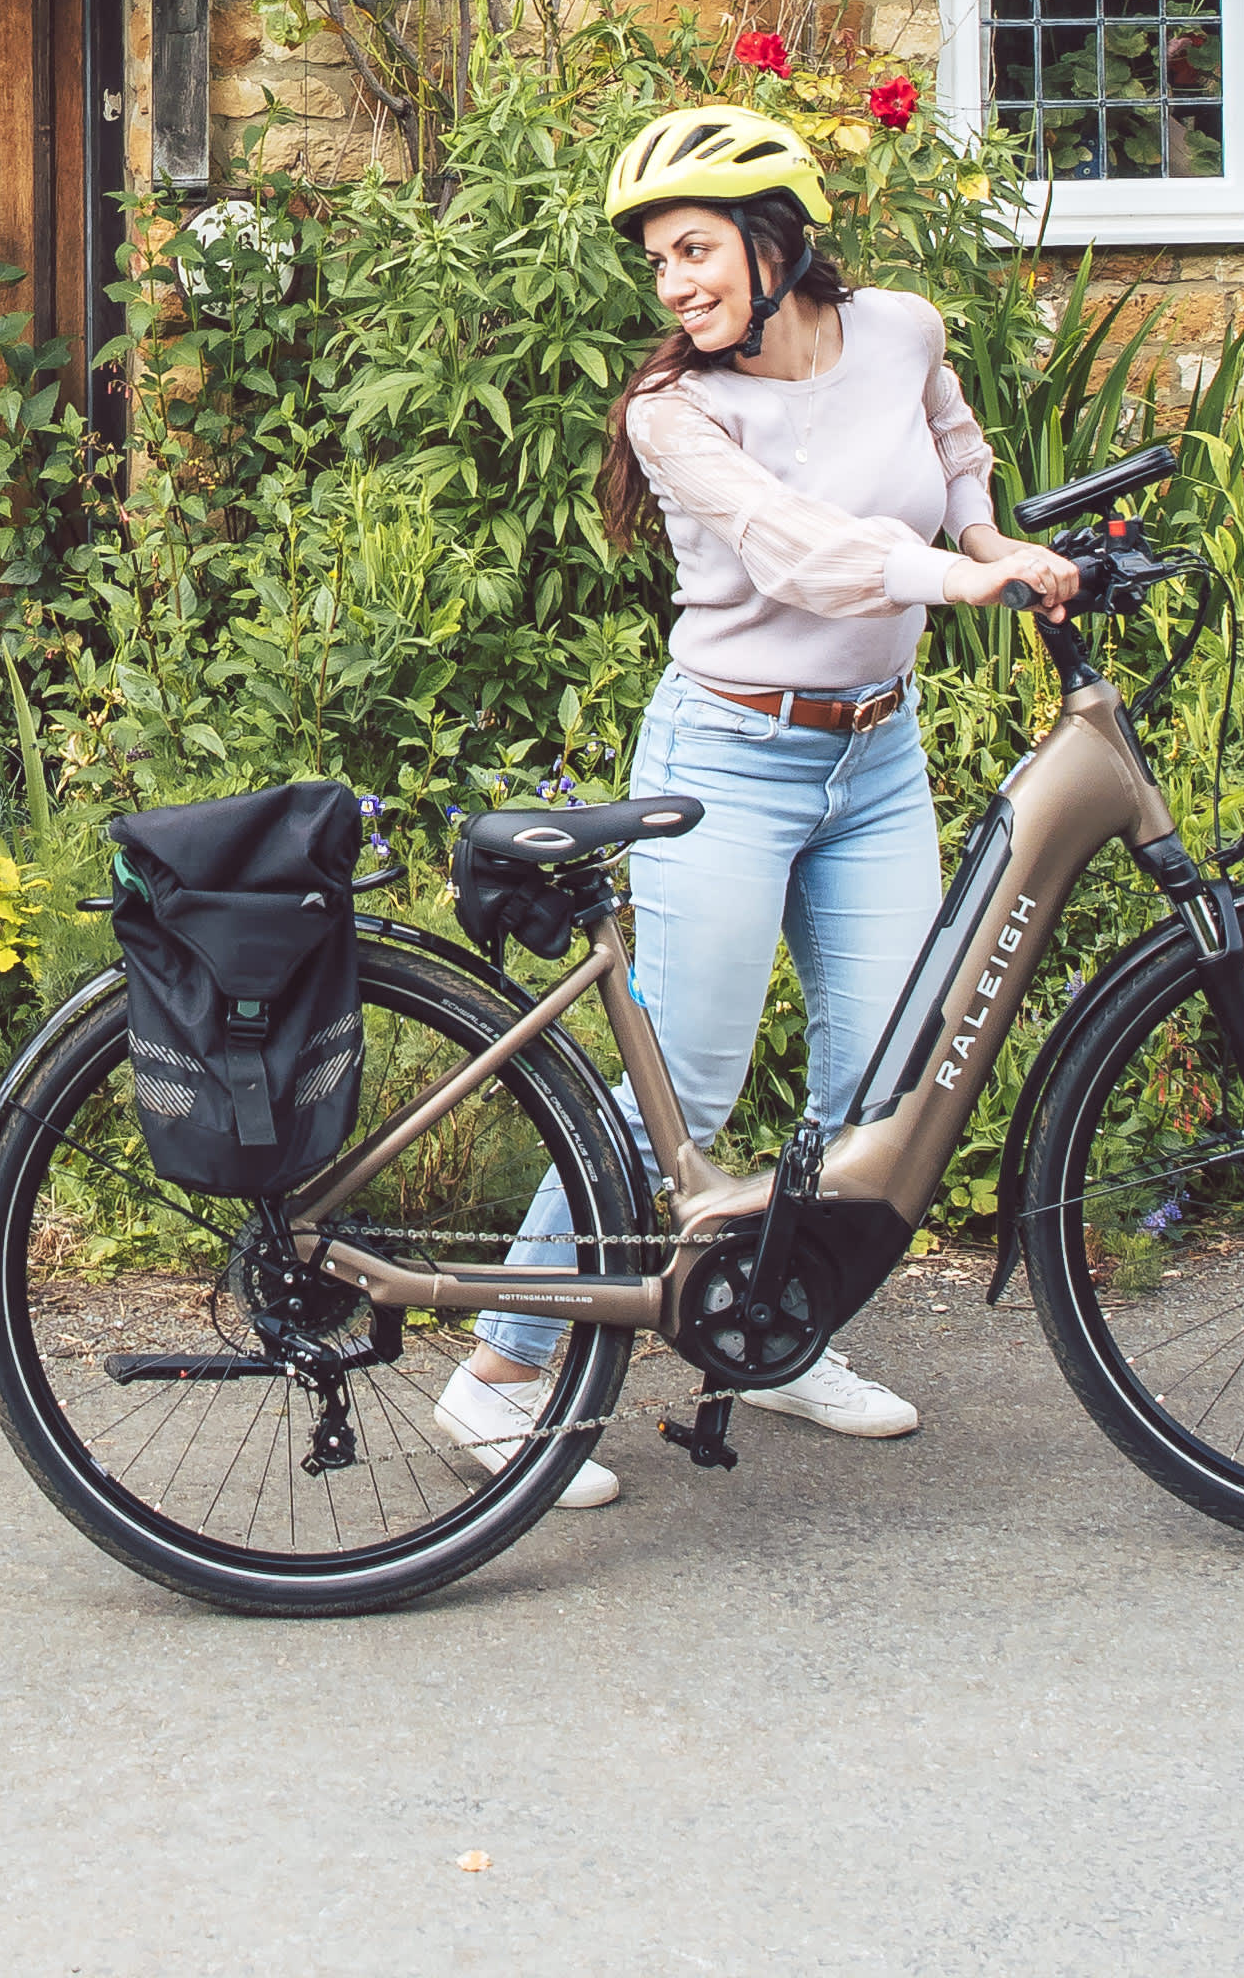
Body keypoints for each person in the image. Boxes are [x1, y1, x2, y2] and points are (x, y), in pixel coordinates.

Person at [433, 99, 1080, 1507]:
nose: (675, 285)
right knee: (694, 1072)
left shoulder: (901, 328)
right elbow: (799, 558)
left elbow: (953, 453)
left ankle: (780, 1335)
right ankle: (503, 1370)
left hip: (876, 755)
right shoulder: (675, 411)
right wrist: (951, 581)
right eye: (659, 261)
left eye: (695, 249)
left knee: (878, 1074)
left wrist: (990, 536)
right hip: (726, 756)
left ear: (776, 239)